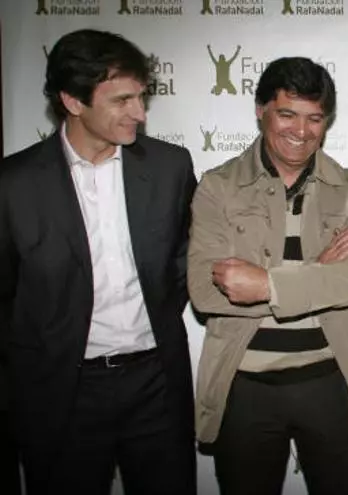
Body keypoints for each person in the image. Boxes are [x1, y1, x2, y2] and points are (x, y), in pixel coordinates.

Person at [0, 29, 197, 494]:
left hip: (156, 386)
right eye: (122, 100)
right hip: (62, 395)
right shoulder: (13, 184)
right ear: (73, 101)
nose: (140, 113)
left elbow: (183, 261)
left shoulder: (170, 167)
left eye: (141, 97)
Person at [188, 56, 348, 495]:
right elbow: (205, 291)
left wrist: (265, 284)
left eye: (315, 118)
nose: (301, 131)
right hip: (244, 387)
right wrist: (319, 271)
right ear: (261, 111)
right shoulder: (218, 186)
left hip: (334, 379)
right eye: (287, 114)